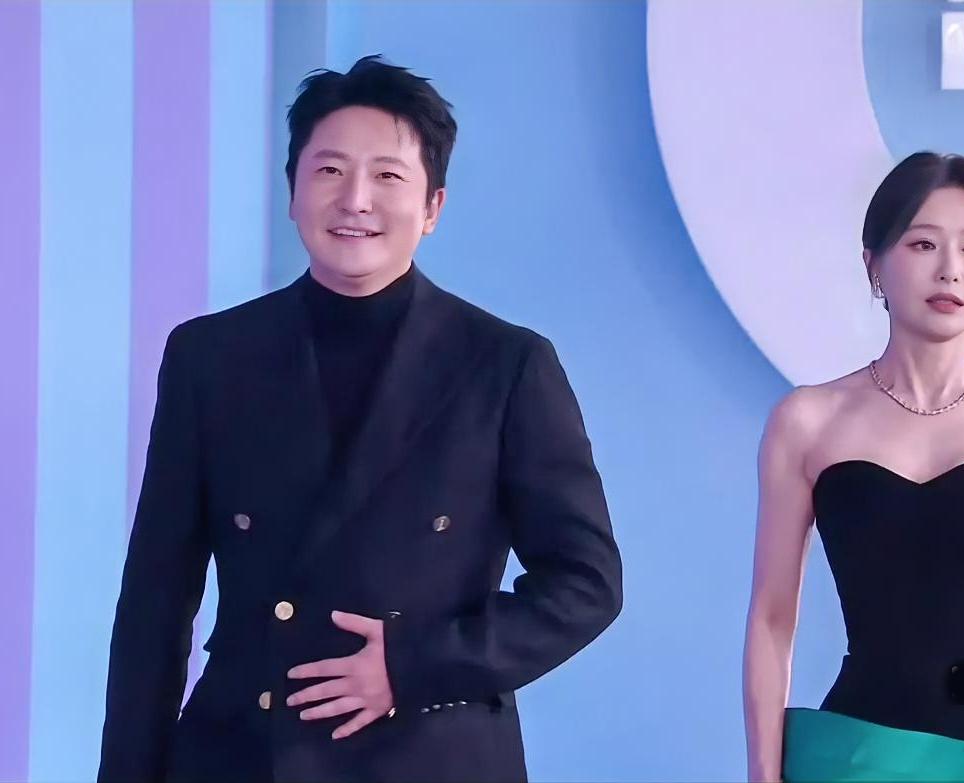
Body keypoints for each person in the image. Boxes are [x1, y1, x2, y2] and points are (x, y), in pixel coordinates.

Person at [99, 55, 623, 783]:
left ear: (433, 206)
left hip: (432, 755)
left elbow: (586, 583)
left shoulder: (505, 365)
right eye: (329, 171)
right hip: (244, 752)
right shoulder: (210, 356)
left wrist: (413, 666)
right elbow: (155, 601)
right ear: (292, 191)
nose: (355, 200)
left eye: (387, 176)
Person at [742, 152, 964, 781]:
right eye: (923, 244)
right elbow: (772, 620)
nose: (950, 270)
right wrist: (763, 774)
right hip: (857, 754)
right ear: (874, 264)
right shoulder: (807, 421)